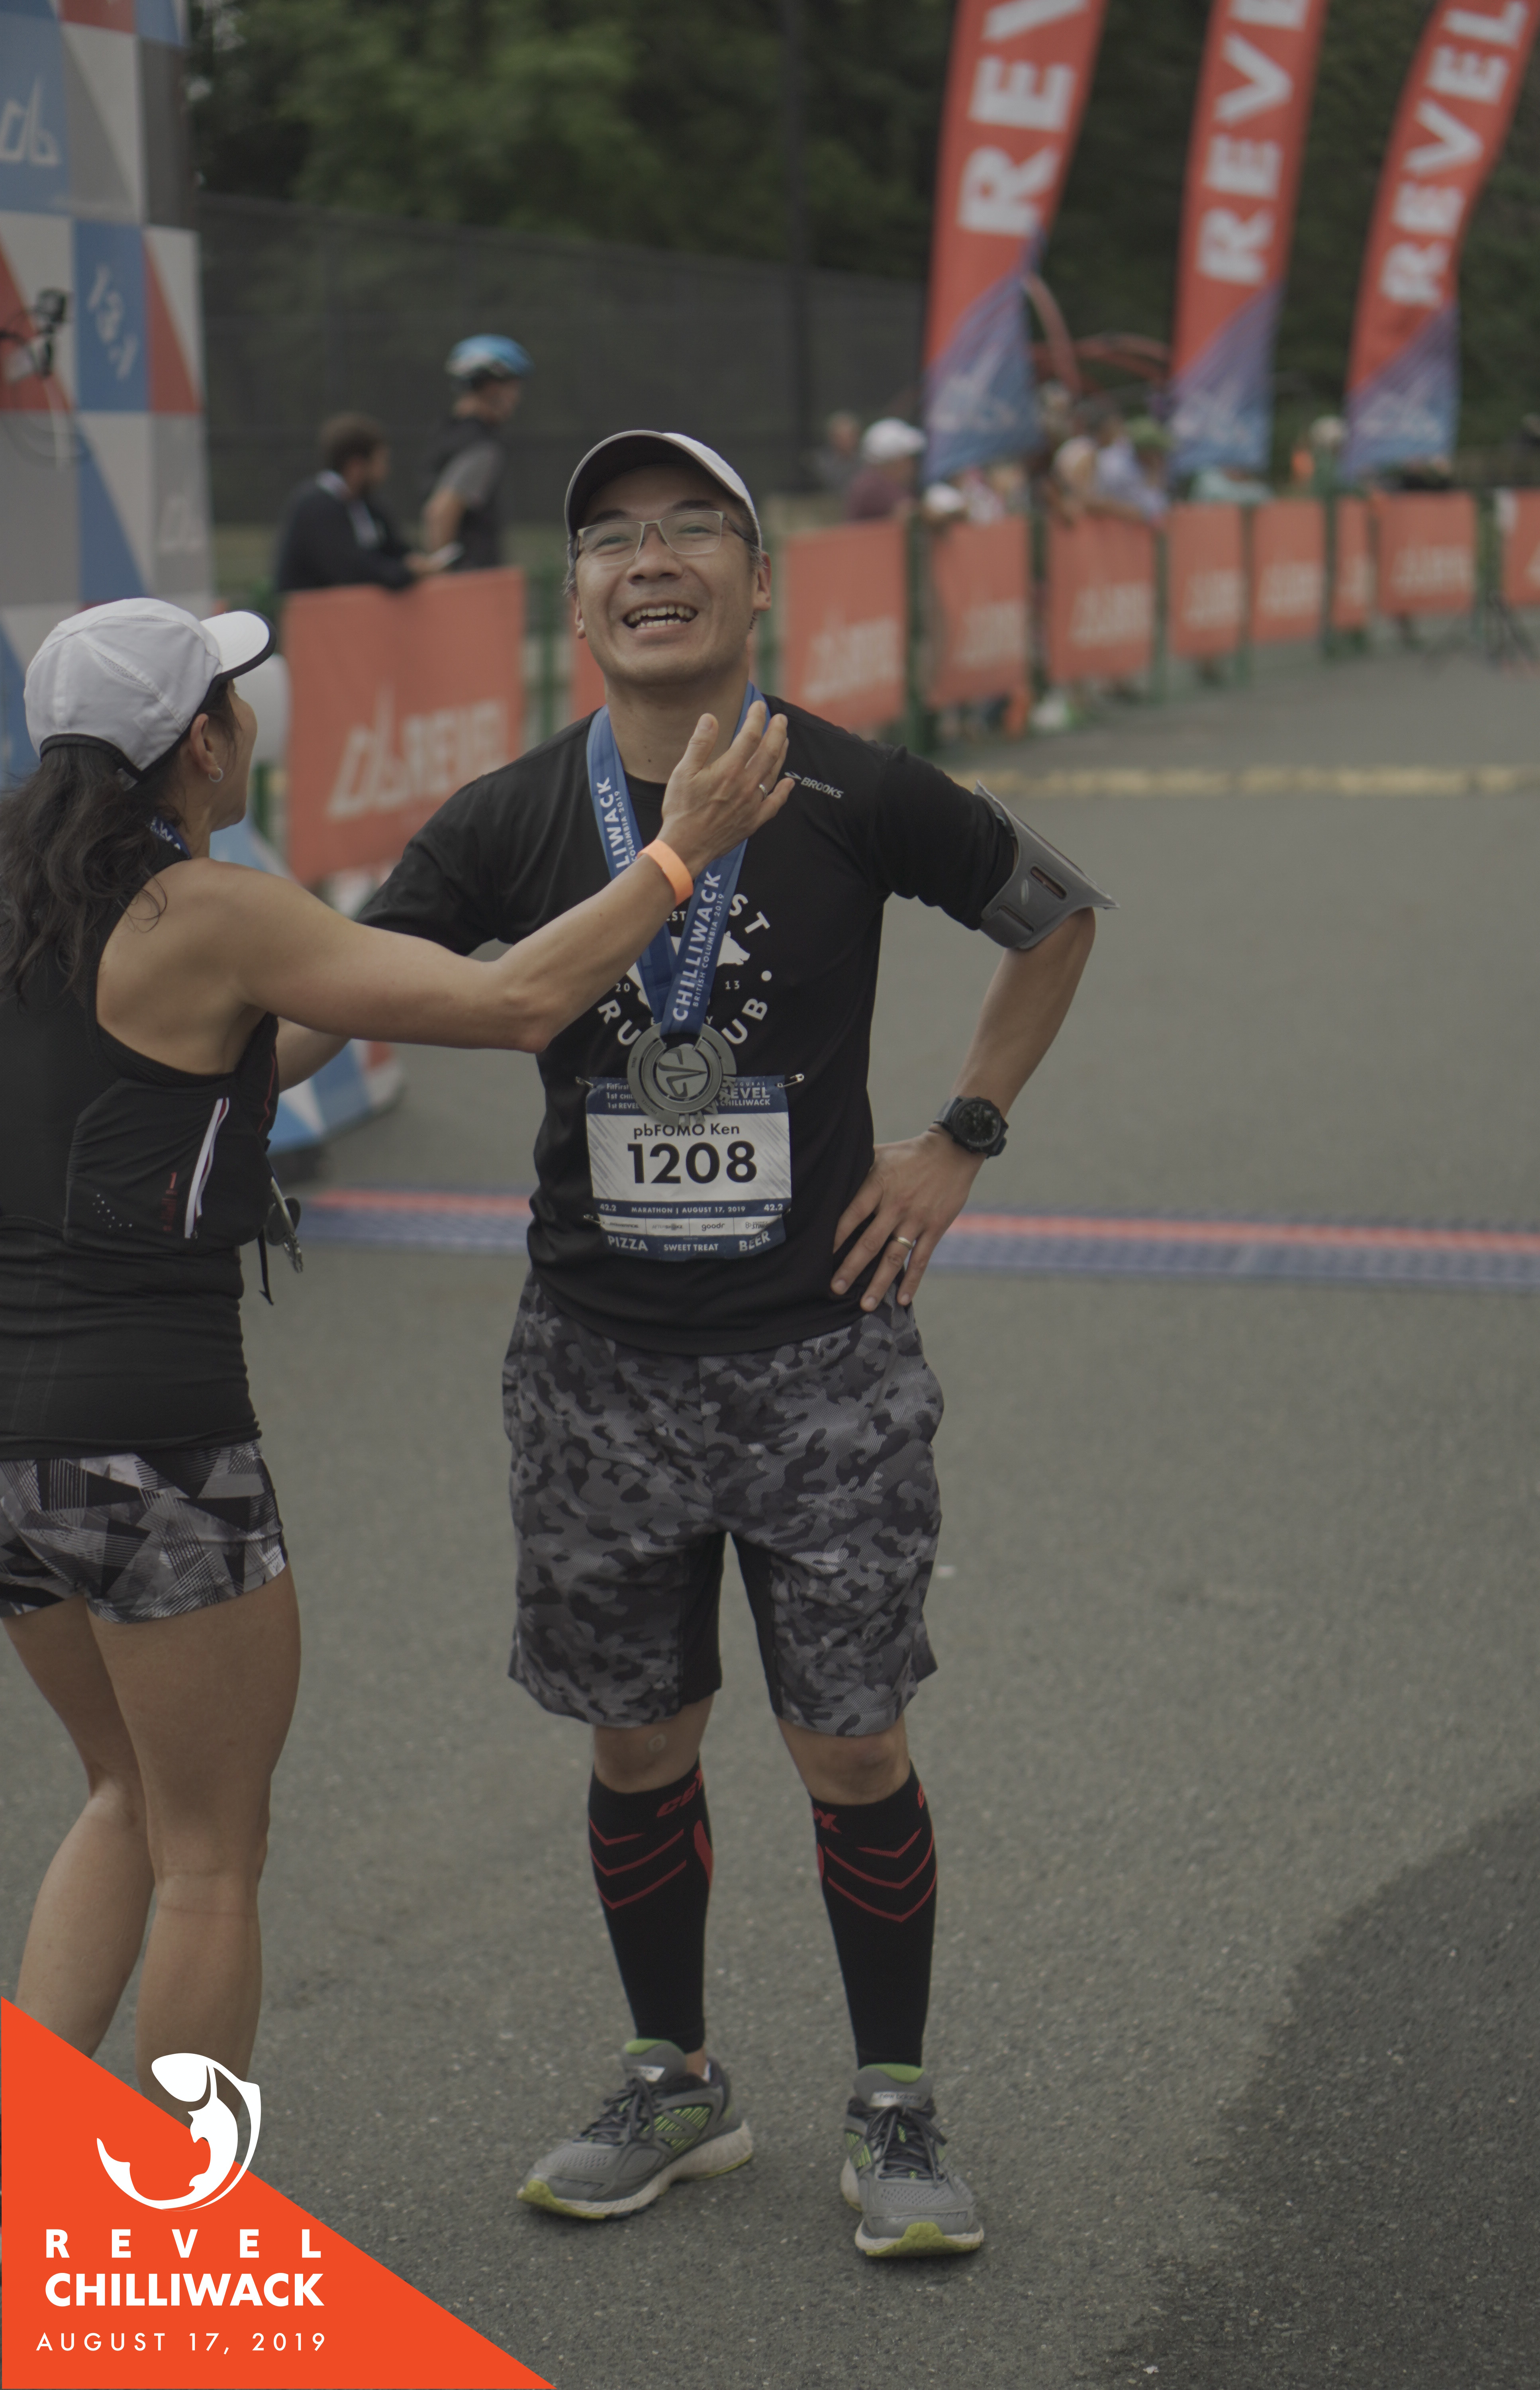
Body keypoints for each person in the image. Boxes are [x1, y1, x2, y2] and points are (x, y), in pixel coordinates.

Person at [351, 428, 1105, 2257]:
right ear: (576, 601)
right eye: (612, 537)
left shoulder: (850, 788)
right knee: (635, 1745)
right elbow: (330, 997)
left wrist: (960, 1136)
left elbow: (1055, 912)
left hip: (822, 1363)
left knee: (851, 1746)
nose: (651, 559)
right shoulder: (510, 818)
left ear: (760, 581)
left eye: (693, 527)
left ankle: (893, 2105)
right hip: (595, 1371)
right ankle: (673, 2078)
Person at [0, 594, 788, 2116]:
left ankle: (30, 2156)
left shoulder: (29, 896)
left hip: (13, 1456)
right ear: (204, 743)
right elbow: (516, 1003)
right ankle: (170, 2226)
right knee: (211, 1855)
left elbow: (243, 1050)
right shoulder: (205, 912)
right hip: (153, 1439)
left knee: (123, 1793)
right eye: (233, 701)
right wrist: (678, 853)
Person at [274, 414, 438, 596]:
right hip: (314, 612)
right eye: (380, 462)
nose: (386, 471)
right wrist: (405, 573)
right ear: (356, 467)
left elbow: (394, 548)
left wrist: (414, 562)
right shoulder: (315, 507)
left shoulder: (366, 505)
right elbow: (353, 568)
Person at [420, 335, 531, 571]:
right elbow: (440, 513)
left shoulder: (447, 433)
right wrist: (444, 576)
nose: (517, 398)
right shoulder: (482, 447)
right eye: (513, 388)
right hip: (471, 577)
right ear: (492, 388)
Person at [845, 417, 925, 521]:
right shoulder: (873, 486)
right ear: (895, 461)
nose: (913, 465)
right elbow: (908, 512)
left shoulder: (873, 481)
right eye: (909, 458)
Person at [808, 409, 861, 498]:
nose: (845, 441)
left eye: (849, 436)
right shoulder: (819, 462)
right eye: (840, 437)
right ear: (831, 437)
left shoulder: (866, 463)